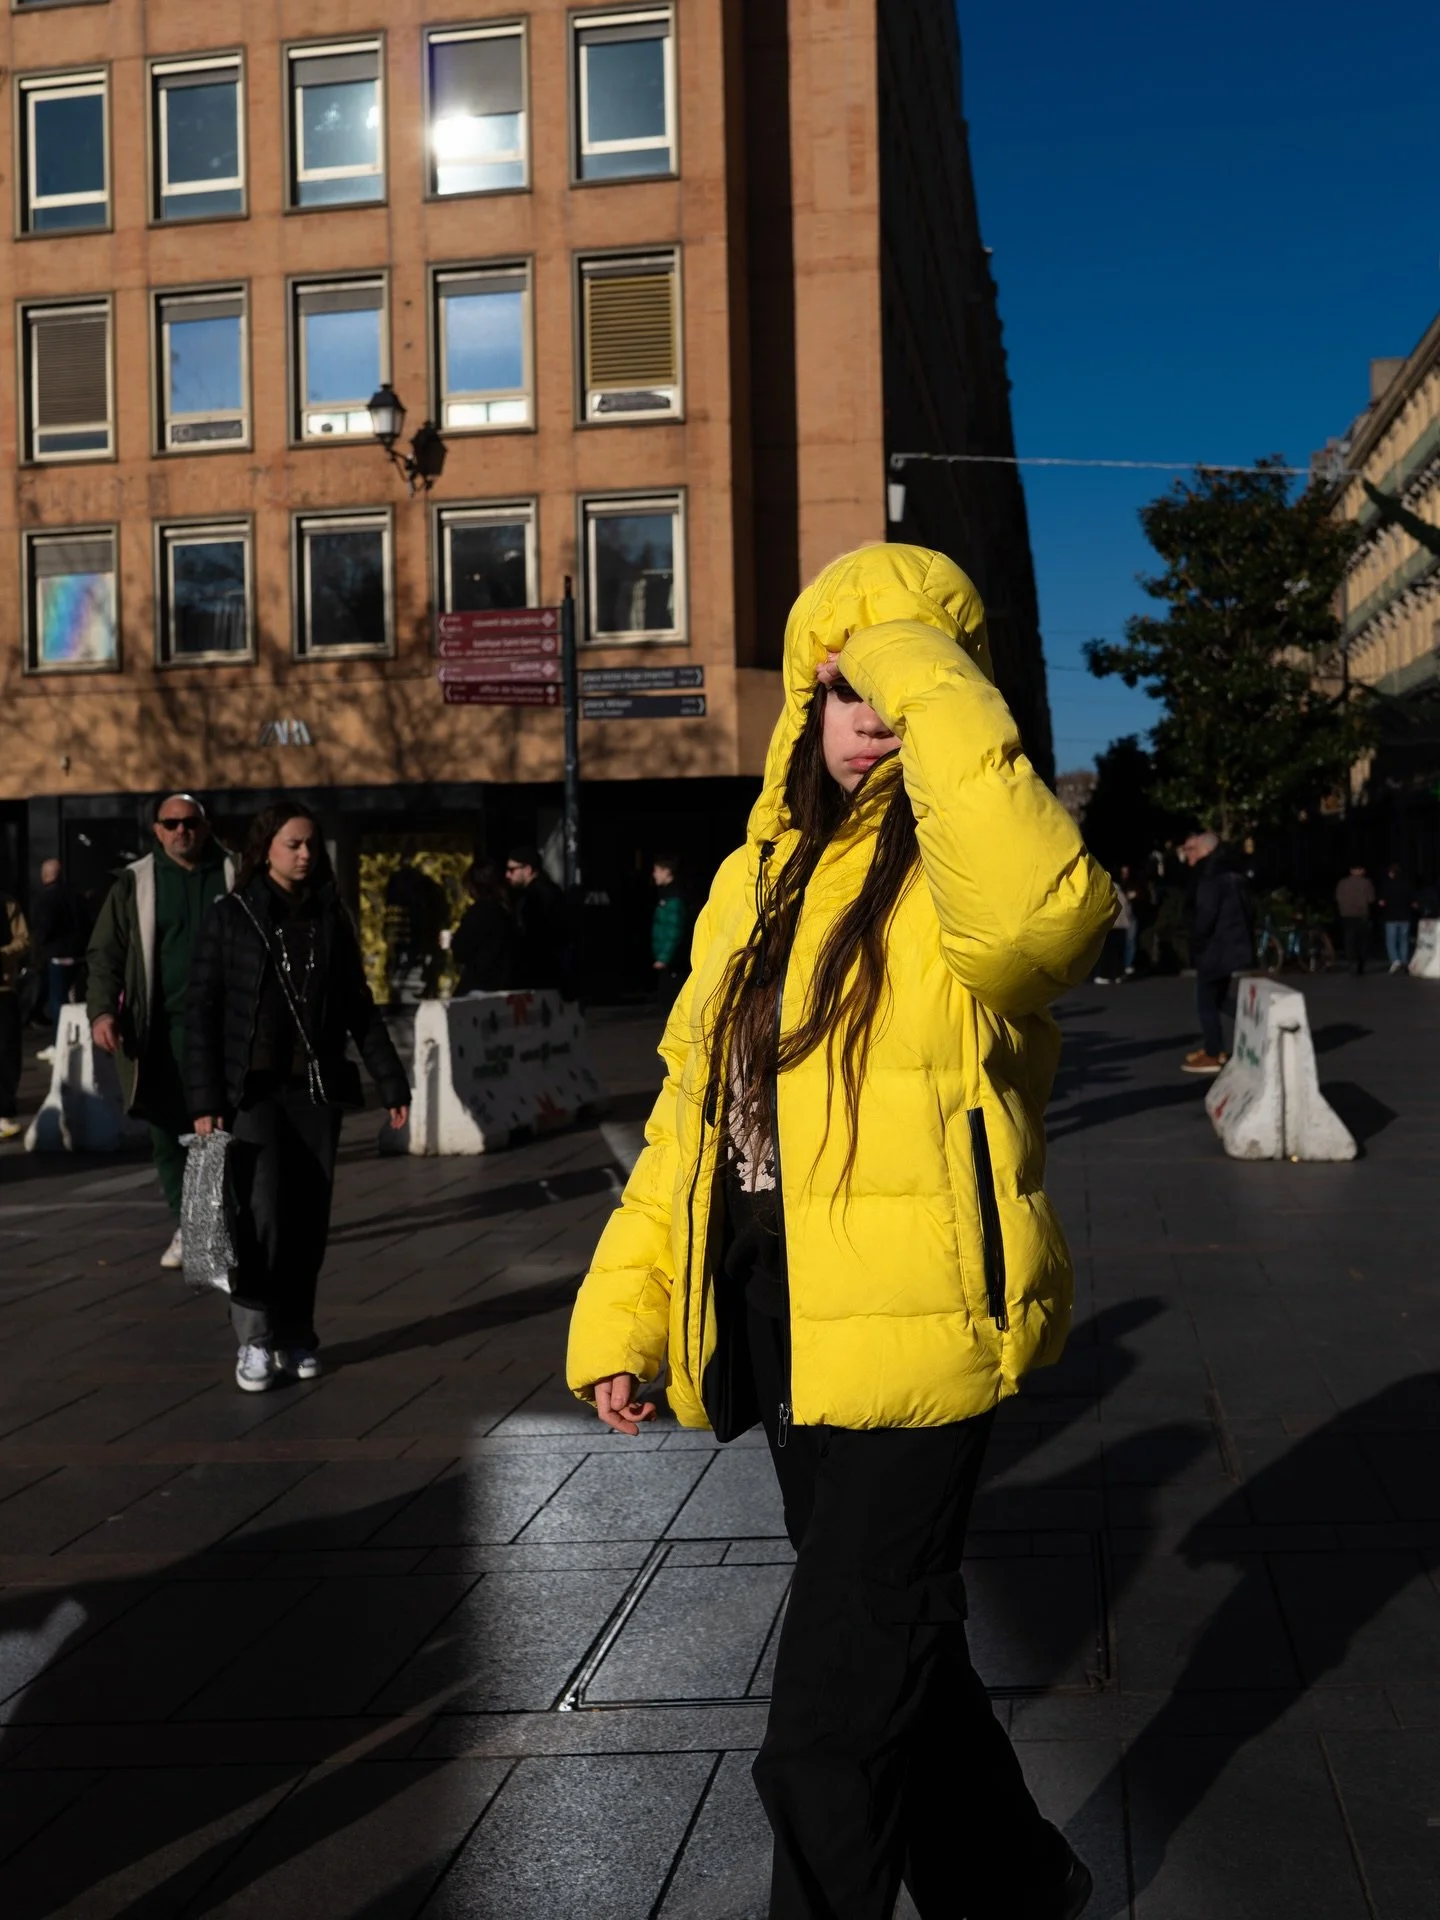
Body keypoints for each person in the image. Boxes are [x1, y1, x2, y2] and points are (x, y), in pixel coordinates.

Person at [567, 545, 1115, 1920]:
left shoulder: (963, 871)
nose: (866, 710)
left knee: (821, 1732)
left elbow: (1053, 927)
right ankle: (1018, 1886)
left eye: (897, 680)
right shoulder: (757, 881)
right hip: (785, 1326)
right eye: (839, 687)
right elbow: (692, 1119)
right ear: (802, 714)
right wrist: (625, 1312)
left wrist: (915, 666)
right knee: (895, 1671)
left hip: (921, 1337)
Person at [185, 800, 410, 1393]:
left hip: (314, 1091)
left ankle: (296, 1335)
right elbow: (202, 1012)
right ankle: (255, 1339)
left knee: (308, 1220)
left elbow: (358, 1007)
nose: (306, 854)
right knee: (261, 1217)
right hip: (251, 1092)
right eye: (294, 844)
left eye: (312, 844)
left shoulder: (331, 917)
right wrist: (204, 1100)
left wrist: (392, 1080)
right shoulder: (230, 915)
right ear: (266, 849)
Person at [87, 795, 234, 1267]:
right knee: (167, 1131)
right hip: (159, 1030)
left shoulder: (234, 874)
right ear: (156, 830)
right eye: (170, 824)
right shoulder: (136, 883)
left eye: (189, 823)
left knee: (214, 1129)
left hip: (223, 1029)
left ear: (205, 827)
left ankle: (203, 1226)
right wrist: (102, 1012)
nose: (180, 831)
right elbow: (105, 955)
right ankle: (187, 1222)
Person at [1179, 830, 1253, 1072]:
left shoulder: (1210, 874)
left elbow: (1205, 915)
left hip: (1215, 947)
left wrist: (1196, 939)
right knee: (1219, 998)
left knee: (1205, 1000)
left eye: (1192, 849)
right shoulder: (1229, 871)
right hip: (1228, 945)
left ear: (1206, 850)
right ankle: (1225, 1042)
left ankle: (1213, 1053)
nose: (1187, 854)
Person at [30, 859, 89, 1062]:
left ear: (45, 876)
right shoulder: (77, 897)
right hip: (79, 956)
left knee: (58, 1003)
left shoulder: (46, 898)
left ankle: (59, 1043)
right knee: (77, 1000)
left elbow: (43, 929)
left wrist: (37, 951)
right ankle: (80, 1041)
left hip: (58, 957)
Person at [505, 846, 570, 992]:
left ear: (527, 870)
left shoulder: (533, 896)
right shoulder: (551, 890)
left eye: (512, 870)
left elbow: (533, 935)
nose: (507, 875)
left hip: (539, 973)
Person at [450, 858, 515, 995]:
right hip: (503, 985)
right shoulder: (506, 910)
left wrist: (453, 940)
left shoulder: (479, 912)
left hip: (479, 985)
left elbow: (461, 949)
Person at [0, 893, 31, 1141]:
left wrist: (3, 955)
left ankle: (4, 1101)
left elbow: (24, 940)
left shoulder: (7, 905)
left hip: (3, 989)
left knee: (6, 1049)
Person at [649, 852, 689, 996]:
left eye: (657, 871)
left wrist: (664, 958)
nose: (654, 875)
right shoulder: (665, 894)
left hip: (673, 962)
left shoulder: (674, 896)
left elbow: (674, 928)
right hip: (669, 960)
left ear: (666, 872)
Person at [1335, 864, 1376, 977]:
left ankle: (1352, 961)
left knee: (1349, 939)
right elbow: (1371, 899)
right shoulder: (1366, 882)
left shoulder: (1342, 883)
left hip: (1346, 914)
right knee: (1362, 940)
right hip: (1361, 914)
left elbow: (1338, 897)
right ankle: (1360, 962)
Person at [1375, 862, 1413, 973]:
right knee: (1404, 940)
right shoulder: (1407, 886)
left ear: (1391, 874)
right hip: (1405, 917)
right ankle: (1404, 961)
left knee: (1391, 941)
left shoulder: (1386, 887)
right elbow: (1413, 902)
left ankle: (1395, 960)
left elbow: (1381, 903)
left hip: (1390, 916)